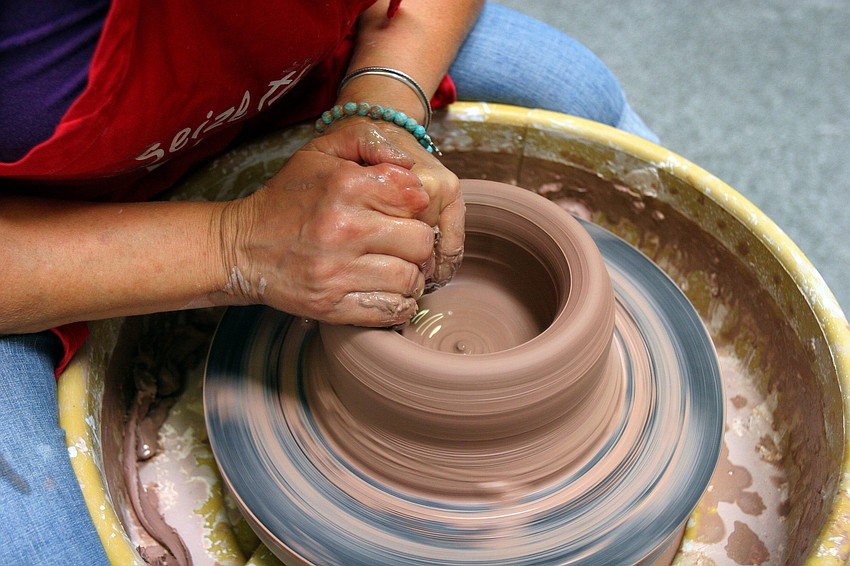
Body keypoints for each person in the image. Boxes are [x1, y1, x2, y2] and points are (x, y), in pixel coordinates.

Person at [0, 1, 657, 562]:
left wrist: (380, 105)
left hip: (285, 85)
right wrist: (232, 246)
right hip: (40, 225)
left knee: (574, 90)